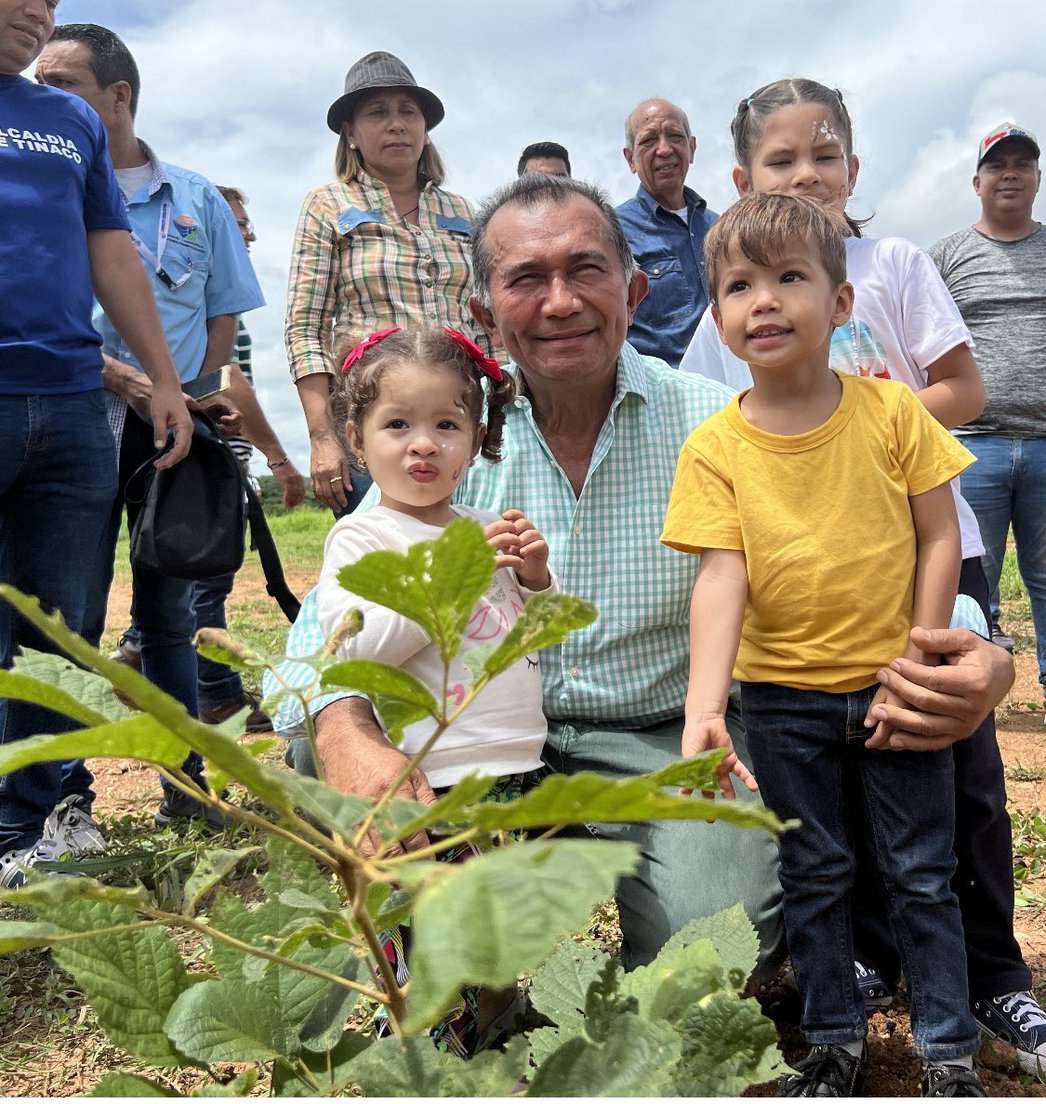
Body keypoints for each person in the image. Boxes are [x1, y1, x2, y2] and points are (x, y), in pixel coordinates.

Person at [274, 175, 785, 975]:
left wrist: (966, 630)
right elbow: (322, 631)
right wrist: (344, 732)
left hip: (658, 740)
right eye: (524, 279)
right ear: (483, 312)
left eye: (586, 270)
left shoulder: (718, 425)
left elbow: (833, 568)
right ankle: (445, 976)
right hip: (464, 745)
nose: (559, 302)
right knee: (330, 739)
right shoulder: (439, 439)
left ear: (635, 288)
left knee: (710, 949)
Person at [680, 77, 1043, 1072]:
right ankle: (858, 996)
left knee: (954, 786)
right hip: (800, 627)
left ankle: (990, 987)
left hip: (925, 561)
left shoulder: (895, 266)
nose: (804, 174)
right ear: (740, 180)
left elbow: (959, 393)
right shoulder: (732, 340)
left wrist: (869, 418)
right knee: (829, 842)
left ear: (851, 164)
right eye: (779, 161)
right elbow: (720, 547)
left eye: (822, 155)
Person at [663, 192, 984, 1097]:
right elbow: (722, 576)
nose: (764, 300)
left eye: (790, 277)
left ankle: (948, 1052)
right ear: (719, 321)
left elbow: (939, 538)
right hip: (781, 699)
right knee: (814, 868)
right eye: (739, 286)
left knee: (922, 870)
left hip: (898, 686)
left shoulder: (892, 414)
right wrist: (703, 707)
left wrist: (919, 659)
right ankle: (834, 1039)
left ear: (840, 304)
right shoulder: (715, 446)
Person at [0, 0, 191, 887]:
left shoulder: (68, 119)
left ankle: (36, 826)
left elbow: (110, 250)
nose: (38, 12)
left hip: (71, 404)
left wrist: (162, 376)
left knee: (59, 623)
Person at [35, 23, 265, 829]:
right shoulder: (44, 184)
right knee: (67, 612)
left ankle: (188, 787)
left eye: (61, 83)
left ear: (117, 96)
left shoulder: (197, 198)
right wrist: (123, 376)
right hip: (71, 416)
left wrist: (187, 395)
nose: (41, 92)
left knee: (172, 613)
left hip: (171, 422)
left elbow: (222, 319)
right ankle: (62, 797)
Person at [308, 325, 553, 1056]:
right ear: (356, 439)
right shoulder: (361, 540)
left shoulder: (484, 528)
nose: (424, 444)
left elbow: (531, 635)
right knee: (440, 928)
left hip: (512, 766)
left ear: (476, 438)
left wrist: (536, 579)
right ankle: (434, 1054)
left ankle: (502, 1020)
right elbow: (355, 653)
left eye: (447, 424)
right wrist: (452, 576)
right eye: (397, 425)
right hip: (431, 778)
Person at [286, 50, 484, 516]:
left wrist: (497, 418)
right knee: (386, 562)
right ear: (350, 133)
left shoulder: (462, 212)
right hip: (377, 423)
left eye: (407, 112)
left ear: (424, 128)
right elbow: (305, 330)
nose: (396, 124)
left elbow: (488, 322)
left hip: (457, 421)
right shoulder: (327, 205)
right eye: (377, 112)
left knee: (473, 557)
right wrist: (323, 438)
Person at [930, 124, 1046, 681]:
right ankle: (969, 699)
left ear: (1037, 178)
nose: (1011, 174)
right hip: (973, 445)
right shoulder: (946, 257)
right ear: (977, 181)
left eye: (1022, 164)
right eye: (999, 165)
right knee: (971, 580)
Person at [189, 185, 304, 731]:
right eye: (238, 223)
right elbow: (231, 387)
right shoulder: (214, 310)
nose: (250, 233)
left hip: (223, 458)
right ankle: (214, 693)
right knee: (207, 579)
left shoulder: (214, 304)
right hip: (212, 458)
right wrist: (278, 459)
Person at [616, 97, 716, 366]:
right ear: (630, 158)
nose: (664, 149)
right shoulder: (612, 232)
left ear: (691, 148)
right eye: (648, 140)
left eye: (675, 136)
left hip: (736, 390)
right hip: (664, 394)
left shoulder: (721, 228)